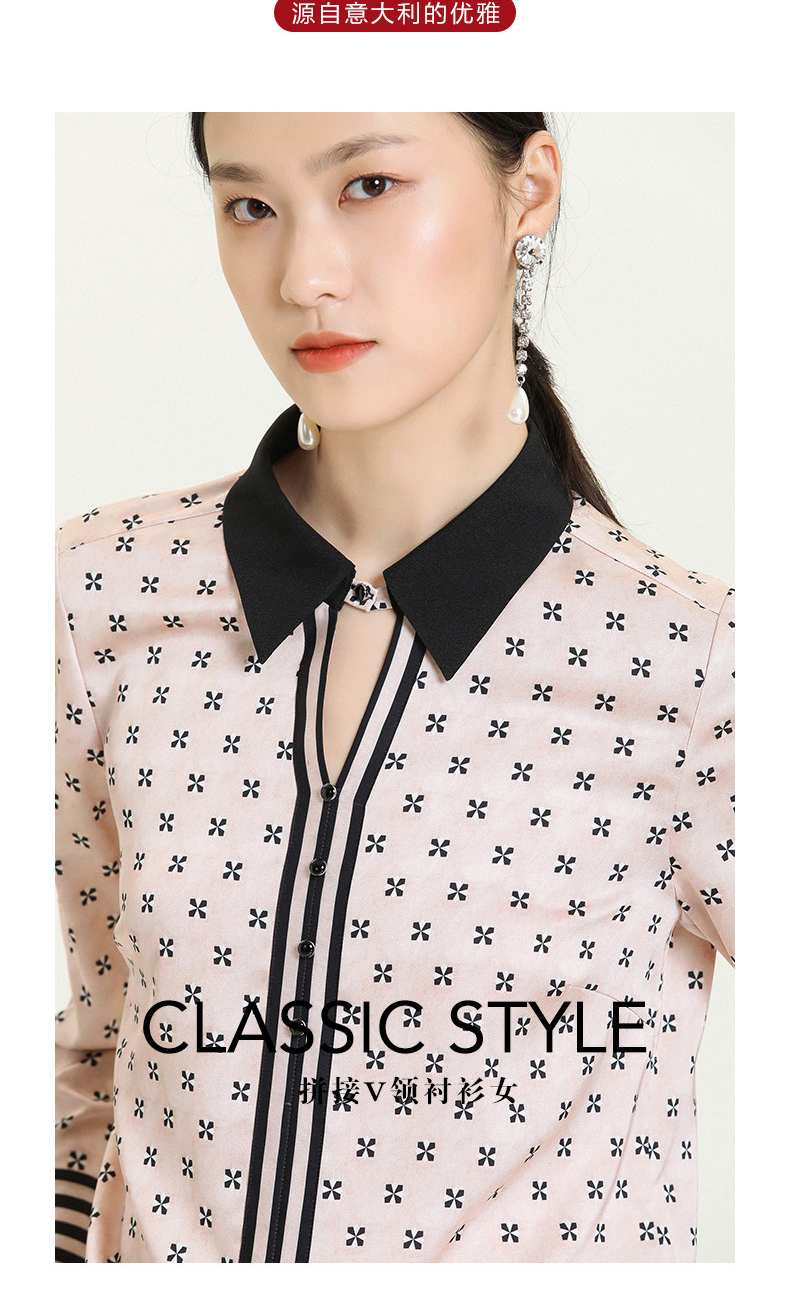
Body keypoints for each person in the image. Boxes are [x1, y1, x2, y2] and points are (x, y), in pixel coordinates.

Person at [55, 112, 734, 1264]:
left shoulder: (691, 658)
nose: (303, 275)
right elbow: (103, 1050)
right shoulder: (94, 597)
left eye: (369, 185)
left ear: (529, 190)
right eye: (250, 206)